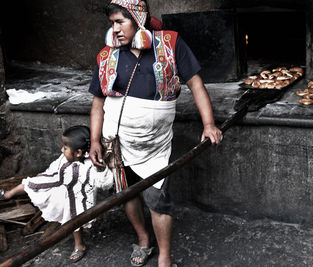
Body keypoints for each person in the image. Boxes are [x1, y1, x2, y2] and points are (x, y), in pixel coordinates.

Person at [88, 1, 222, 266]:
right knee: (127, 193)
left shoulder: (170, 44)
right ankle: (142, 239)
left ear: (138, 19)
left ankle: (164, 257)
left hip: (155, 144)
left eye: (120, 22)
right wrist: (94, 140)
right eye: (111, 23)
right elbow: (98, 103)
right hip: (117, 141)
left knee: (157, 199)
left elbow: (196, 84)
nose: (114, 30)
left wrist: (209, 124)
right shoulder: (107, 56)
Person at [0, 125, 113, 263]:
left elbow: (106, 183)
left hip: (78, 198)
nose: (61, 150)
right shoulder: (64, 159)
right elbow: (54, 170)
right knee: (31, 183)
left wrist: (101, 169)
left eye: (65, 148)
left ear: (78, 152)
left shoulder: (91, 166)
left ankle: (79, 245)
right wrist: (47, 178)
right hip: (60, 189)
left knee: (74, 221)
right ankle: (8, 194)